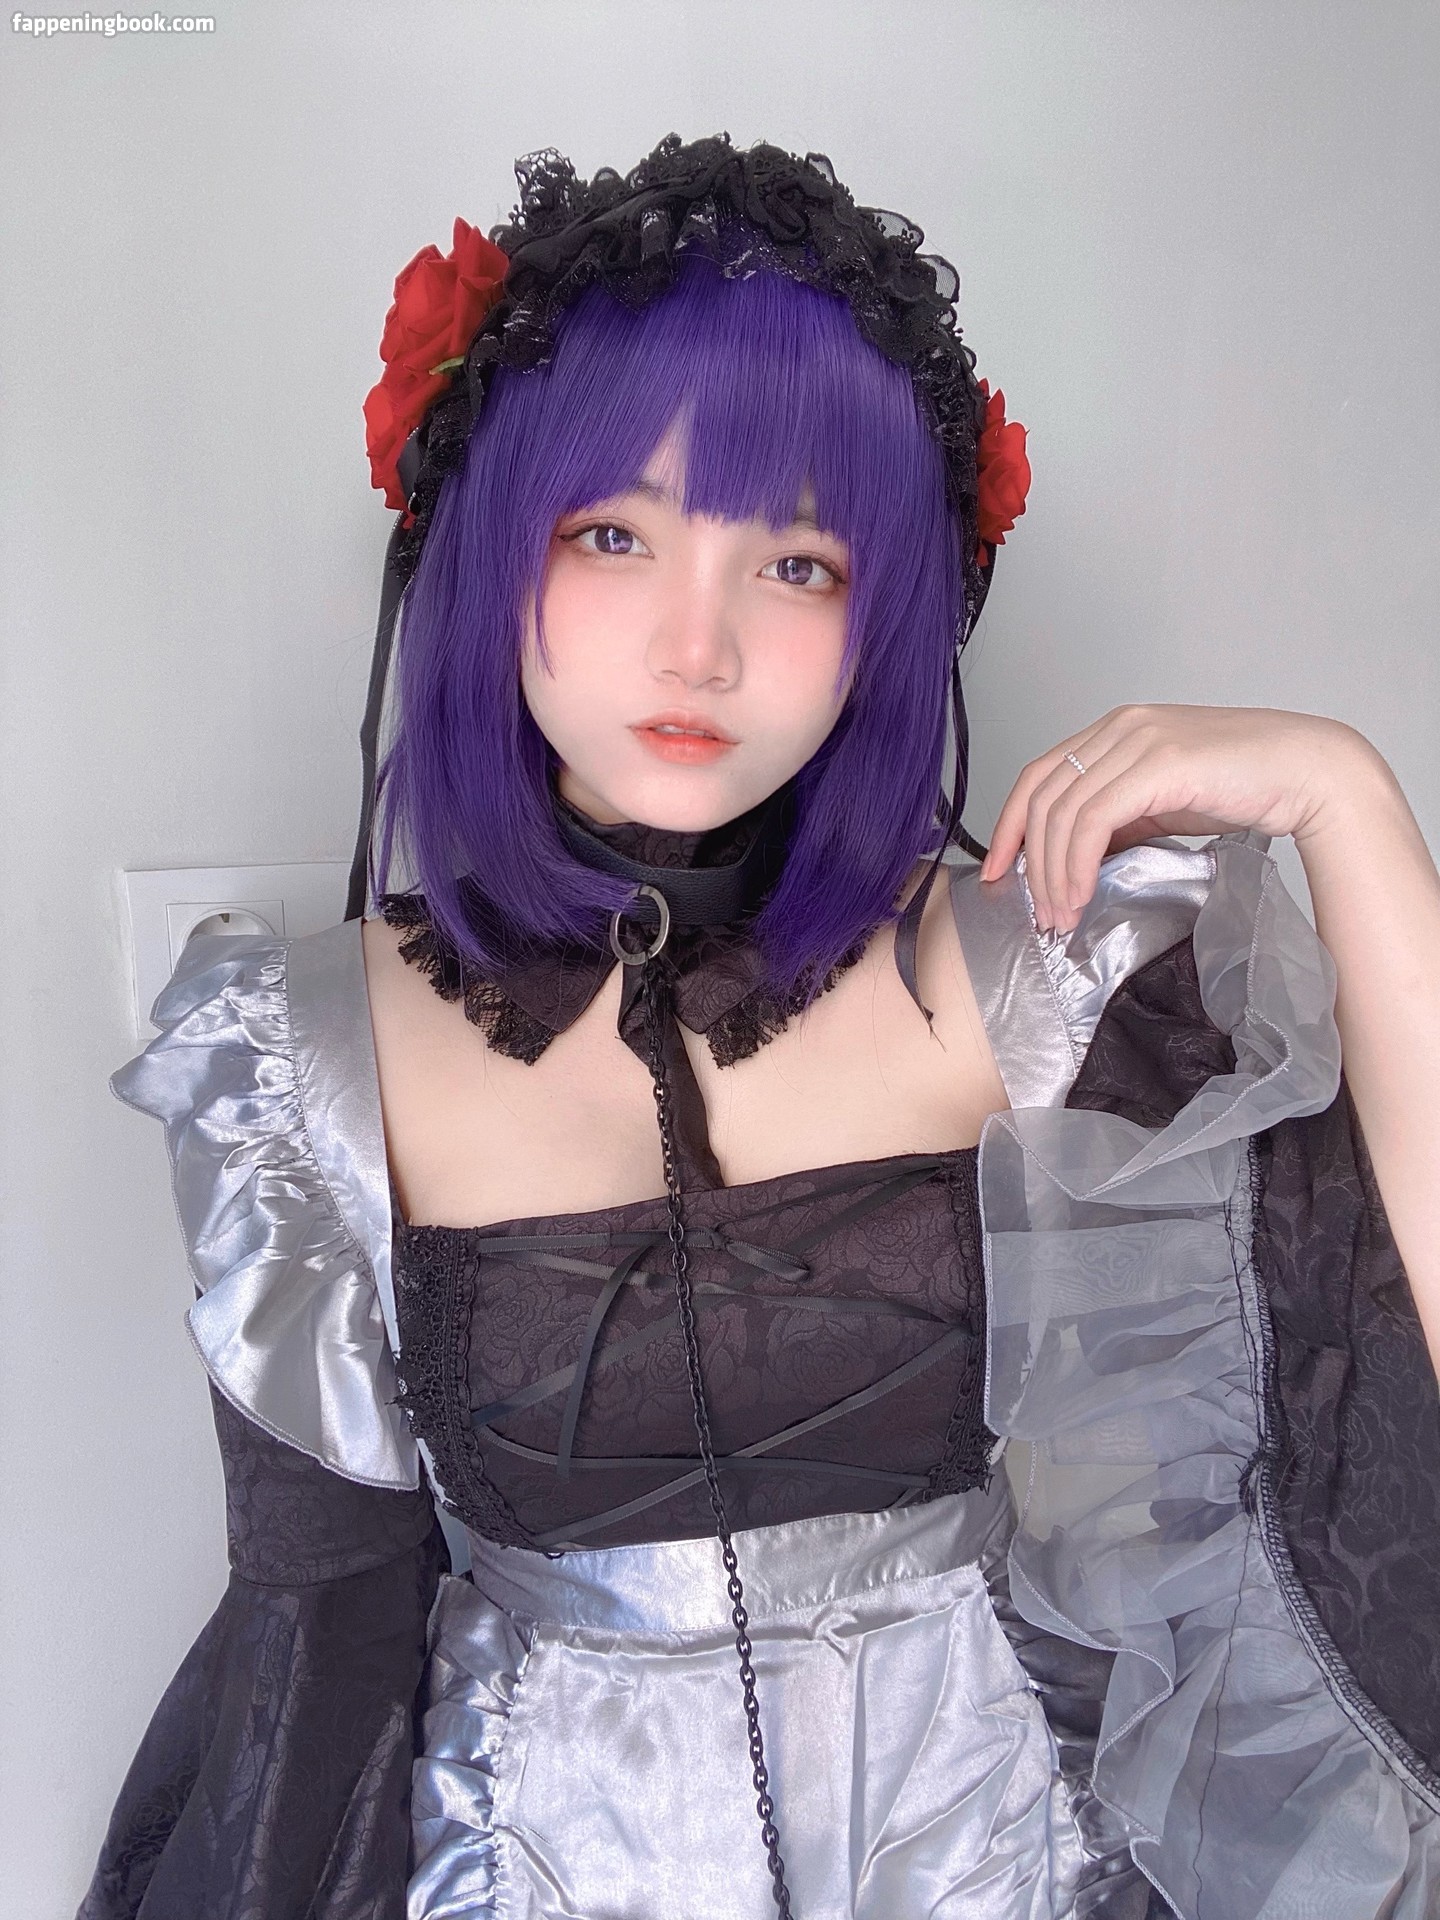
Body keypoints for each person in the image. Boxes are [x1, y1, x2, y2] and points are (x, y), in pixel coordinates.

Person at [80, 134, 1440, 1920]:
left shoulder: (1024, 974)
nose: (697, 647)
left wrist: (1347, 801)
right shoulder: (304, 1060)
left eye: (795, 561)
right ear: (483, 550)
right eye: (612, 534)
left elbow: (1395, 1351)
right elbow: (318, 1643)